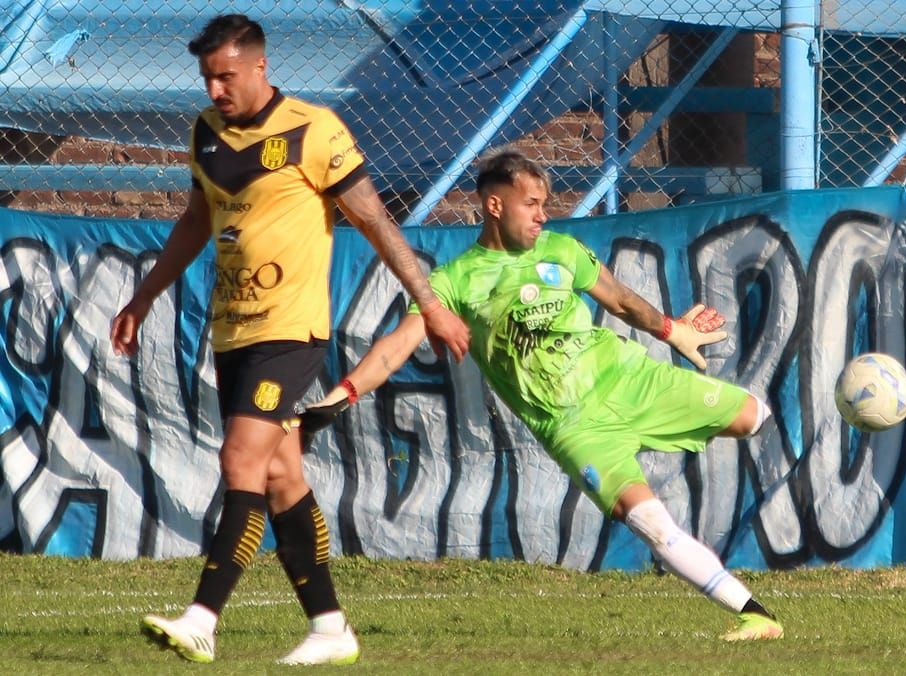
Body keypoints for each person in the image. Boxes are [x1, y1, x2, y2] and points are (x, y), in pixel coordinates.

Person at [298, 148, 784, 641]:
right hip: (573, 427)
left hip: (630, 380)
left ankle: (859, 421)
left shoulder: (561, 250)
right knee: (648, 522)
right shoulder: (455, 281)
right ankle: (756, 615)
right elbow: (394, 347)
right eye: (530, 203)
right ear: (494, 205)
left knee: (750, 416)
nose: (542, 214)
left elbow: (619, 299)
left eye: (544, 203)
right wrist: (343, 393)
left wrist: (671, 331)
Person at [109, 14, 469, 666]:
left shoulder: (313, 129)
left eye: (225, 77)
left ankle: (202, 619)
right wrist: (143, 297)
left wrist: (430, 305)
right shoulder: (206, 133)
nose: (215, 90)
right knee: (279, 474)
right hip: (232, 329)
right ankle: (330, 627)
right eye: (207, 78)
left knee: (240, 461)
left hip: (291, 331)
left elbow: (375, 220)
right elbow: (195, 220)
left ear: (259, 68)